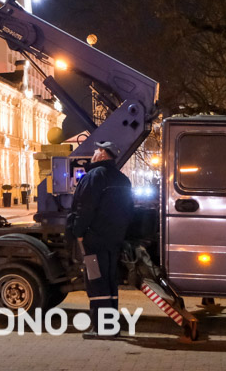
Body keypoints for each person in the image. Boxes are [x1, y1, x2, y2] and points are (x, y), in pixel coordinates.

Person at [68, 140, 134, 339]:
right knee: (110, 281)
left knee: (96, 281)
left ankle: (102, 328)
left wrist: (78, 232)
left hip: (93, 240)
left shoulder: (94, 176)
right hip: (114, 240)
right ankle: (112, 326)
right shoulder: (123, 180)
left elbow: (84, 208)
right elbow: (129, 210)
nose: (94, 154)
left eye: (97, 151)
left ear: (104, 155)